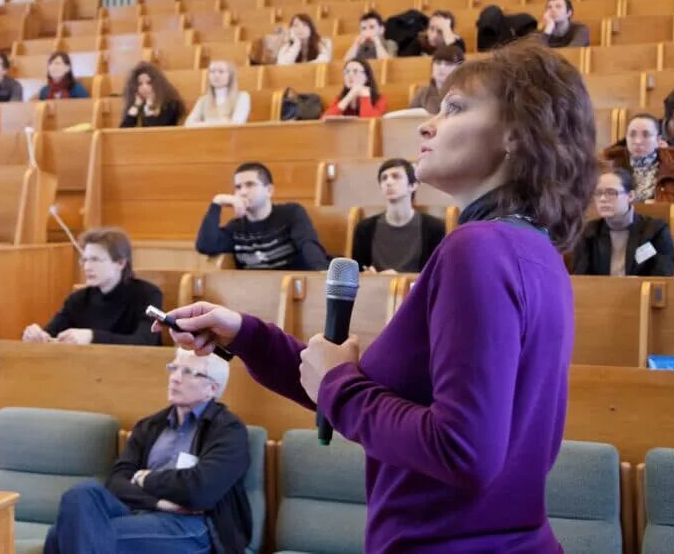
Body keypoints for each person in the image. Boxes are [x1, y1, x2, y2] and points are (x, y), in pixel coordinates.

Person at [162, 40, 600, 551]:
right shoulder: (533, 249)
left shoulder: (476, 249)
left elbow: (462, 450)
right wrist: (247, 335)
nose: (426, 125)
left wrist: (341, 385)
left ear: (516, 135)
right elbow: (381, 398)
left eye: (455, 108)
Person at [44, 348, 251, 553]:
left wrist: (145, 479)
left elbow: (200, 491)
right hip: (139, 511)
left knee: (63, 534)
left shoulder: (228, 430)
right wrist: (158, 502)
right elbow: (116, 481)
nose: (175, 378)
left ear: (212, 389)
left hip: (193, 525)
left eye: (188, 372)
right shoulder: (150, 425)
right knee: (82, 493)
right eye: (174, 368)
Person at [22, 228, 162, 346]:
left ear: (120, 263)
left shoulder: (149, 294)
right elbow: (51, 333)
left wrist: (92, 337)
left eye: (95, 260)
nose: (87, 267)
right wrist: (38, 336)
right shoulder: (78, 299)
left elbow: (145, 341)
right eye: (85, 260)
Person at [195, 162, 328, 271]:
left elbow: (308, 246)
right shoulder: (235, 228)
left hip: (295, 290)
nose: (243, 192)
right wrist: (217, 202)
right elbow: (205, 245)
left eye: (250, 184)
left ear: (269, 190)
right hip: (257, 294)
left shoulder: (291, 213)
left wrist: (320, 275)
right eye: (238, 187)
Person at [571, 169, 674, 277]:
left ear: (630, 196)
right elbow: (582, 279)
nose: (602, 199)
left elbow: (662, 277)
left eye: (611, 192)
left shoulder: (655, 231)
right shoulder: (588, 232)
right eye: (598, 193)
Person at [351, 158, 446, 273]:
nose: (388, 182)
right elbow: (357, 274)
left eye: (396, 176)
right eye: (384, 178)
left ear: (413, 185)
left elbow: (436, 275)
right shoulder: (364, 228)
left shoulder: (434, 228)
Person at [604, 113, 674, 202]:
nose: (638, 141)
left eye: (646, 135)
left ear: (658, 140)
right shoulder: (612, 165)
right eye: (632, 135)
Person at [184, 60, 251, 127]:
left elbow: (237, 123)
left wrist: (203, 123)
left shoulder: (242, 97)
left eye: (221, 72)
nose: (216, 75)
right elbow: (188, 124)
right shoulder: (203, 100)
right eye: (212, 72)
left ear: (231, 75)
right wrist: (222, 122)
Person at [121, 62, 183, 127]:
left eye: (149, 82)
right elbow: (123, 132)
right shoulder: (138, 105)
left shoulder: (171, 104)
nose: (144, 87)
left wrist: (148, 106)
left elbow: (155, 130)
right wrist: (136, 106)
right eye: (140, 84)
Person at [409, 45, 465, 115]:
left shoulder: (467, 93)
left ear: (459, 68)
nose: (441, 67)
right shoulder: (423, 93)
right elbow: (410, 118)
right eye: (438, 63)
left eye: (448, 64)